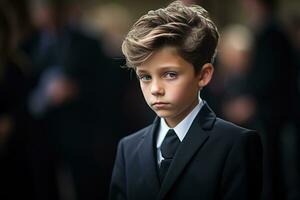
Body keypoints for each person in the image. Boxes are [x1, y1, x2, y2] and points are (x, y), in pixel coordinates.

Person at [109, 1, 263, 200]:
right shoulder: (127, 148)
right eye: (145, 77)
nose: (155, 89)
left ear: (203, 75)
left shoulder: (235, 144)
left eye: (170, 74)